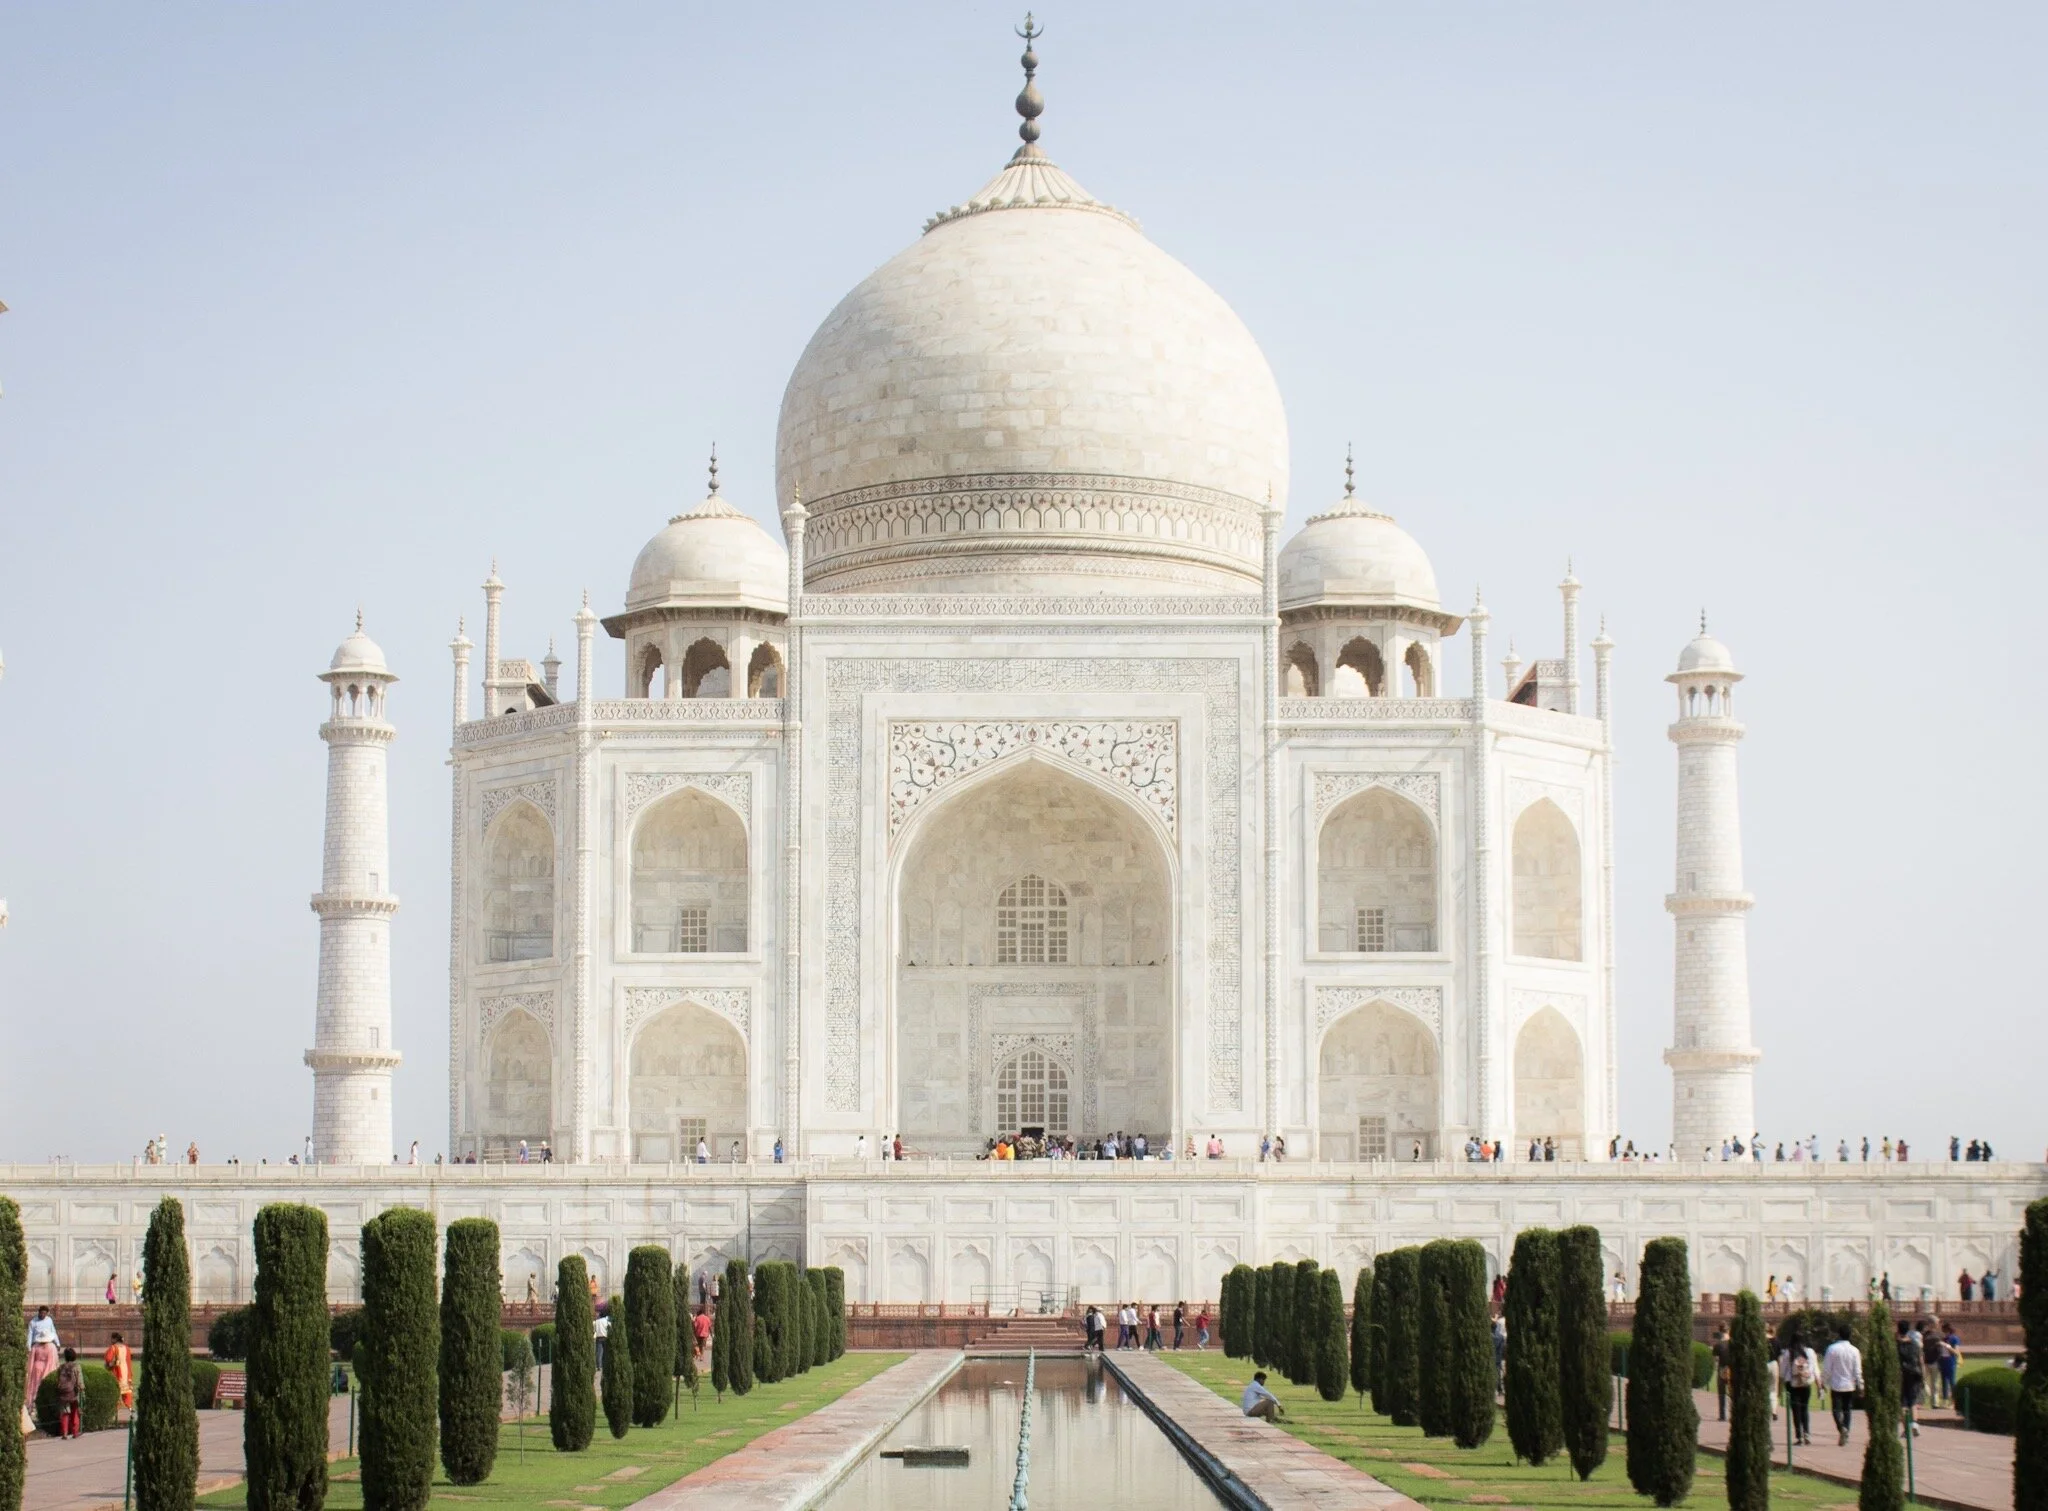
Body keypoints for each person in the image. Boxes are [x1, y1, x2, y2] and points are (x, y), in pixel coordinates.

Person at [1822, 1326, 1864, 1445]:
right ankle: (1846, 1429)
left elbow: (1827, 1369)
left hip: (1836, 1384)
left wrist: (1823, 1382)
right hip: (1849, 1385)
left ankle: (1841, 1428)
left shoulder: (1832, 1349)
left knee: (1836, 1410)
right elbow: (1857, 1371)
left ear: (1839, 1334)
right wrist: (1860, 1384)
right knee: (1847, 1409)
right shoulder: (1855, 1350)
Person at [1780, 1334, 1818, 1446]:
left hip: (1793, 1384)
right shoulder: (1810, 1352)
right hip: (1806, 1383)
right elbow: (1814, 1368)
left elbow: (1783, 1371)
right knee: (1804, 1409)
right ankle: (1807, 1433)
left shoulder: (1788, 1352)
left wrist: (1780, 1384)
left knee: (1796, 1411)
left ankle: (1799, 1436)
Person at [26, 1306, 61, 1423]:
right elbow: (30, 1335)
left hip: (36, 1368)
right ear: (39, 1313)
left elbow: (53, 1331)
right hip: (46, 1369)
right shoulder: (33, 1322)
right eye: (41, 1313)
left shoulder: (49, 1321)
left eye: (44, 1313)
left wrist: (57, 1342)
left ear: (47, 1313)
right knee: (43, 1387)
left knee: (35, 1387)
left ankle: (33, 1408)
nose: (43, 1315)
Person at [1895, 1320, 1924, 1432]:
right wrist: (1923, 1375)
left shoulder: (1896, 1345)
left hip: (1902, 1374)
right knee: (1913, 1400)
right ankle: (1914, 1424)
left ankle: (1906, 1427)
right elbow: (1920, 1360)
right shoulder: (1915, 1344)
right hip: (1915, 1373)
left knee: (1902, 1402)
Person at [55, 1348, 84, 1439]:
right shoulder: (76, 1366)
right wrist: (82, 1389)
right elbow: (79, 1380)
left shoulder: (61, 1367)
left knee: (65, 1412)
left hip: (63, 1392)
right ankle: (75, 1432)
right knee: (75, 1412)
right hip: (73, 1392)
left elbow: (58, 1380)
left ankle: (64, 1433)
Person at [104, 1331, 133, 1413]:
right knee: (127, 1391)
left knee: (116, 1391)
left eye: (112, 1338)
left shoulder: (113, 1348)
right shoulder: (127, 1348)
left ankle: (115, 1409)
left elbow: (108, 1359)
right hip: (126, 1372)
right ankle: (130, 1408)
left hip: (117, 1372)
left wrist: (109, 1365)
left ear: (114, 1339)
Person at [1711, 1325, 1731, 1420]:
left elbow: (1715, 1359)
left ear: (1720, 1332)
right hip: (1732, 1369)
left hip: (1722, 1369)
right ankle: (1733, 1413)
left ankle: (1722, 1415)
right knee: (1733, 1393)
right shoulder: (1733, 1344)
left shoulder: (1718, 1345)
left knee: (1722, 1393)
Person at [594, 1307, 610, 1373]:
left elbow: (594, 1329)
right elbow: (610, 1327)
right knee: (606, 1352)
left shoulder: (596, 1322)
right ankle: (605, 1364)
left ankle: (599, 1366)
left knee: (599, 1353)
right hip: (605, 1337)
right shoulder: (606, 1321)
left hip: (598, 1338)